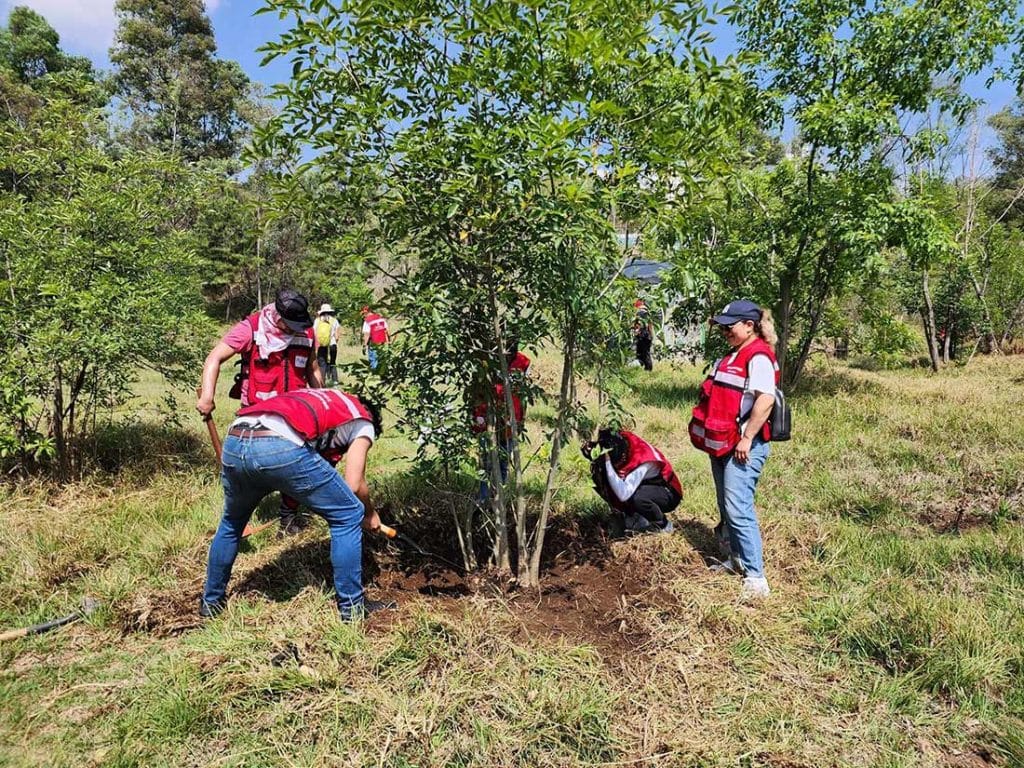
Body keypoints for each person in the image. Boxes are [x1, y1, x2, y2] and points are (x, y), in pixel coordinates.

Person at [199, 388, 396, 622]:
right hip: (278, 444)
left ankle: (211, 603)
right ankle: (352, 608)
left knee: (232, 522)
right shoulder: (363, 421)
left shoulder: (328, 397)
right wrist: (370, 514)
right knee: (349, 513)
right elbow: (354, 483)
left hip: (236, 437)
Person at [196, 288, 324, 535]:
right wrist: (207, 396)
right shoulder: (252, 328)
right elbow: (214, 358)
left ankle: (288, 520)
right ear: (278, 317)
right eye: (290, 324)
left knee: (296, 466)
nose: (294, 329)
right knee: (245, 471)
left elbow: (313, 367)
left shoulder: (307, 333)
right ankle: (236, 520)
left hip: (295, 413)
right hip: (256, 413)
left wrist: (321, 398)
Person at [688, 299, 779, 600]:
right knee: (728, 507)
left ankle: (756, 578)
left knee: (739, 508)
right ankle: (736, 560)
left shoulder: (758, 357)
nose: (725, 331)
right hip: (723, 444)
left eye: (730, 326)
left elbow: (765, 400)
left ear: (749, 325)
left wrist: (747, 437)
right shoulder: (733, 355)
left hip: (742, 446)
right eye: (722, 326)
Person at [583, 428, 681, 534]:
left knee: (637, 497)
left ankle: (664, 525)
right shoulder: (621, 438)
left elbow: (624, 494)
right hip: (645, 485)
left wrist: (607, 462)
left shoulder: (642, 458)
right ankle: (636, 516)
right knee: (600, 476)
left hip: (668, 492)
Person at [470, 343, 531, 502]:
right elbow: (476, 392)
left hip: (510, 420)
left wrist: (522, 419)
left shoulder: (523, 363)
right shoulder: (487, 360)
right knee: (485, 462)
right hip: (487, 419)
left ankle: (498, 499)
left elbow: (524, 394)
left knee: (503, 462)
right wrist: (476, 418)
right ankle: (482, 499)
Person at [314, 303, 341, 384]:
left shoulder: (317, 321)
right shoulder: (334, 320)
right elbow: (337, 336)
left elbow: (314, 333)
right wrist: (334, 342)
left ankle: (322, 381)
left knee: (322, 364)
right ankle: (335, 381)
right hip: (332, 344)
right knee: (332, 362)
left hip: (321, 345)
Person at [361, 306, 390, 370]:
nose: (363, 316)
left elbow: (366, 334)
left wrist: (364, 346)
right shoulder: (380, 318)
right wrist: (389, 341)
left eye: (363, 314)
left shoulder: (367, 321)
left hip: (373, 343)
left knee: (374, 361)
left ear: (366, 313)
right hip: (383, 343)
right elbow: (387, 331)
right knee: (382, 361)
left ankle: (375, 375)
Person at [633, 302, 654, 371]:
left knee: (641, 353)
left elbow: (638, 325)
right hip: (648, 336)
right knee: (646, 353)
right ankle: (647, 368)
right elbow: (650, 326)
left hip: (642, 336)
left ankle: (647, 368)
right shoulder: (647, 313)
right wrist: (651, 336)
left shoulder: (640, 313)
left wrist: (636, 333)